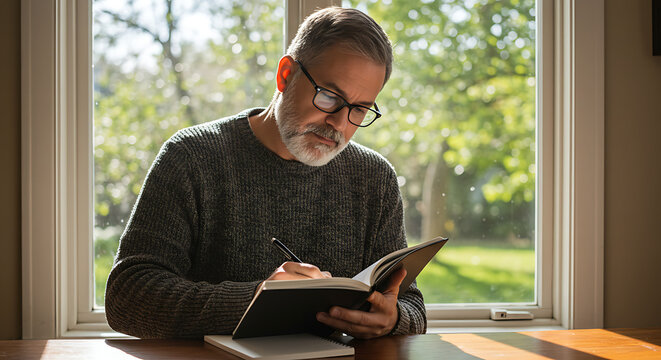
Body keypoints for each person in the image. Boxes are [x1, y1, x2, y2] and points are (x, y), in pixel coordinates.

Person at [105, 6, 427, 339]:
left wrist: (392, 319)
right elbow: (126, 297)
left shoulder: (374, 178)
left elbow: (412, 306)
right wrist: (257, 300)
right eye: (329, 97)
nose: (340, 124)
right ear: (286, 74)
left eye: (359, 109)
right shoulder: (191, 156)